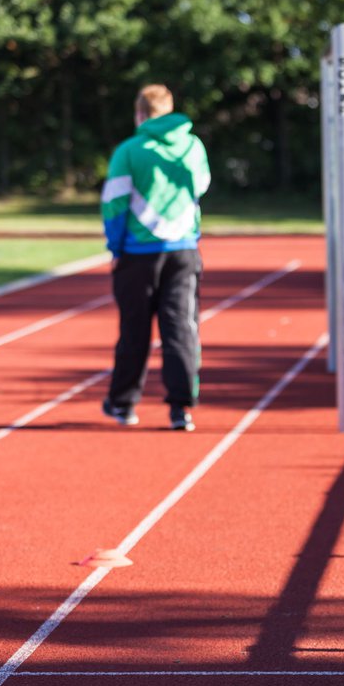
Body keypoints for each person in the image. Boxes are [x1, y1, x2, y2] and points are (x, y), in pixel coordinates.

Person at [100, 84, 211, 432]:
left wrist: (115, 248)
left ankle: (124, 403)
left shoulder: (129, 150)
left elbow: (114, 205)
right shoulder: (193, 146)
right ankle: (181, 408)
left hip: (137, 255)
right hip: (182, 251)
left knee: (134, 331)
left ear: (140, 114)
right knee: (180, 329)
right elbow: (201, 188)